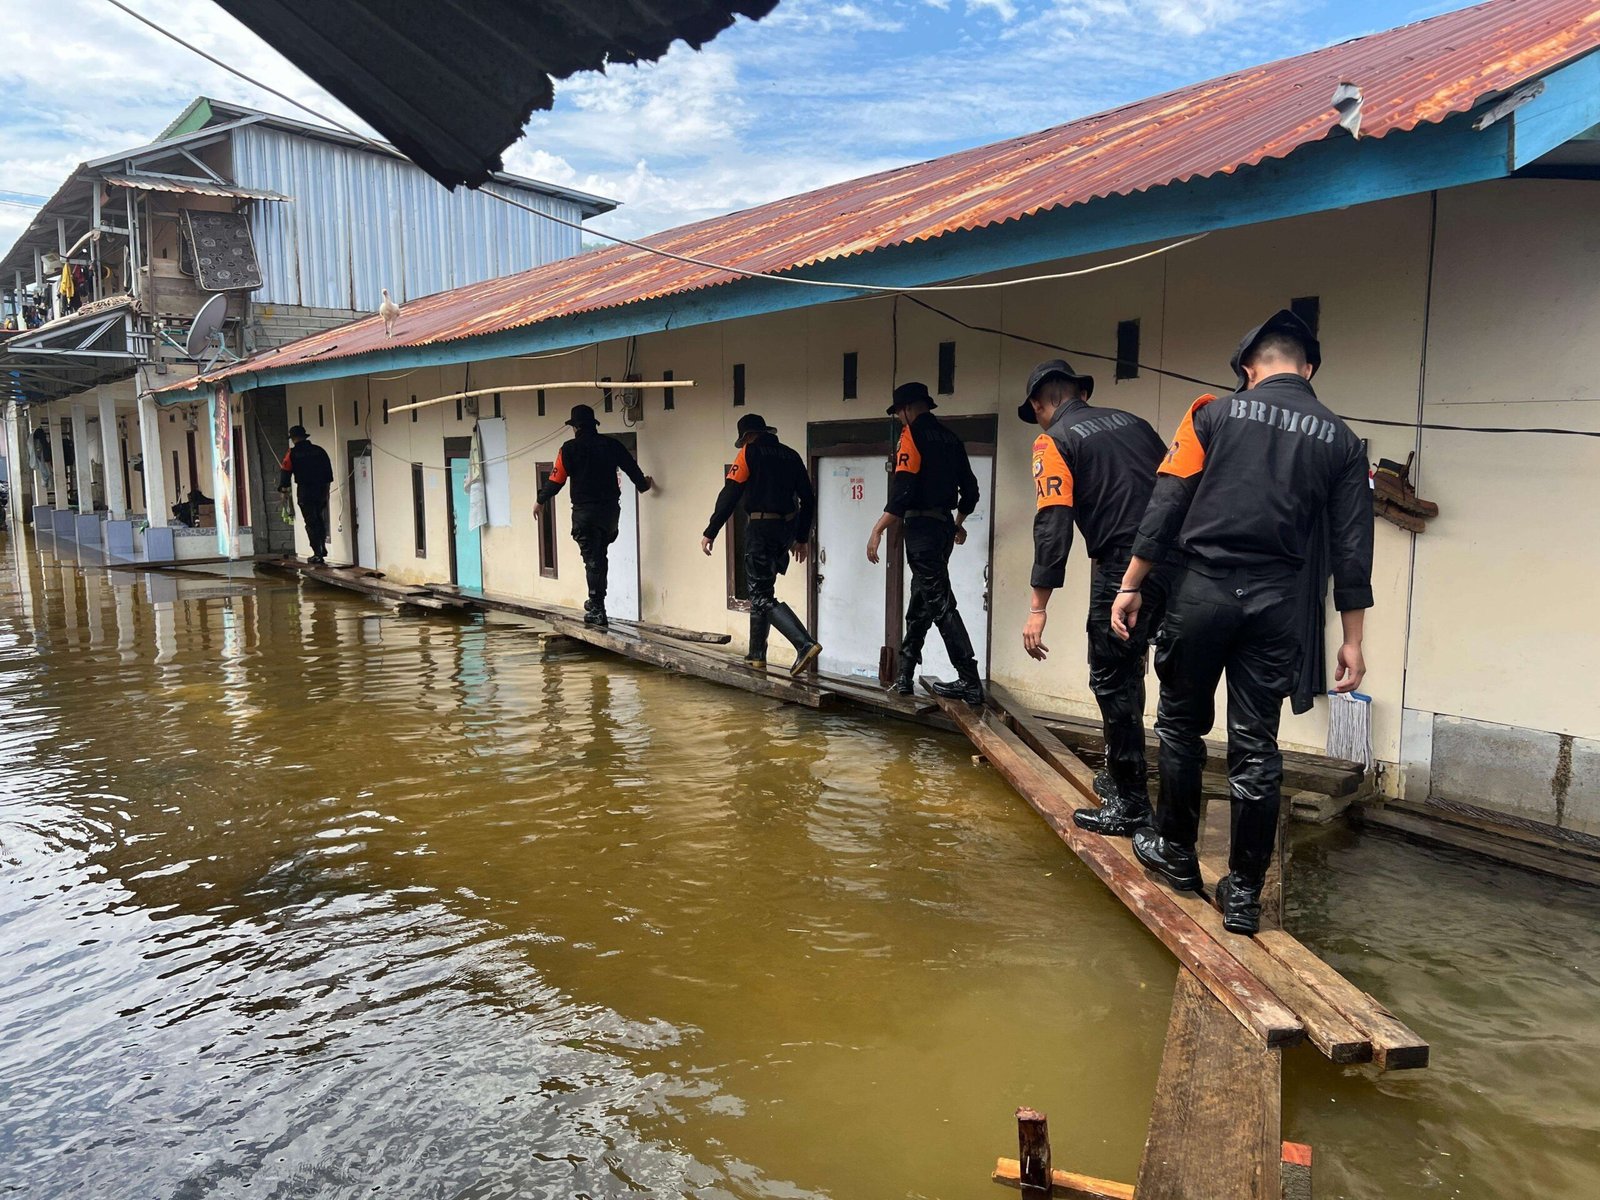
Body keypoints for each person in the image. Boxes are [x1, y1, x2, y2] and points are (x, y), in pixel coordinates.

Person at [1111, 310, 1374, 935]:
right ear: (1307, 369)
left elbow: (1167, 504)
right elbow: (1351, 549)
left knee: (1180, 724)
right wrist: (1353, 640)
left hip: (1202, 592)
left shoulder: (1210, 415)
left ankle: (1176, 855)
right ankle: (1244, 895)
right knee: (1256, 744)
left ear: (1250, 369)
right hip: (1277, 603)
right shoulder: (1341, 441)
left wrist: (1130, 585)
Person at [1018, 359, 1173, 835]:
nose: (1039, 420)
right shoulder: (1137, 424)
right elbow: (1177, 488)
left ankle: (1129, 806)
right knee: (1137, 671)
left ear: (1044, 403)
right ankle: (1124, 778)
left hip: (1123, 566)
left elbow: (1053, 523)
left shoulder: (1053, 440)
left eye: (1037, 411)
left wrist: (1038, 607)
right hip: (1174, 559)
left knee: (1111, 678)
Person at [866, 381, 983, 704]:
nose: (901, 420)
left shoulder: (911, 436)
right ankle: (904, 675)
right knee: (923, 598)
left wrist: (878, 530)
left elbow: (903, 490)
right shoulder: (951, 438)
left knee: (941, 602)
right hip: (943, 527)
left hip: (920, 530)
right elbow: (970, 492)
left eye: (900, 414)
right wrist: (957, 524)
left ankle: (969, 679)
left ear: (905, 409)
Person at [701, 412, 821, 675]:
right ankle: (757, 655)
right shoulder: (791, 455)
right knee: (762, 592)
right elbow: (808, 499)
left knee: (761, 596)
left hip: (760, 529)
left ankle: (804, 643)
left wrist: (711, 530)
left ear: (747, 437)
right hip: (785, 531)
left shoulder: (749, 453)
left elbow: (730, 493)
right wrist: (801, 538)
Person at [534, 403, 654, 627]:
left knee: (593, 560)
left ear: (575, 427)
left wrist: (541, 500)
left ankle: (597, 608)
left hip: (585, 514)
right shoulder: (611, 445)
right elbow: (631, 468)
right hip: (609, 514)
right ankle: (595, 600)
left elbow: (556, 480)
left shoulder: (569, 449)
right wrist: (644, 485)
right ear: (593, 425)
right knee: (600, 557)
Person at [278, 424, 334, 565]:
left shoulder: (292, 453)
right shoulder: (319, 451)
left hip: (305, 490)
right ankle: (322, 546)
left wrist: (283, 490)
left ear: (293, 438)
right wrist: (326, 489)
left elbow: (285, 472)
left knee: (310, 521)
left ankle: (317, 553)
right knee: (320, 518)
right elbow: (328, 472)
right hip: (321, 489)